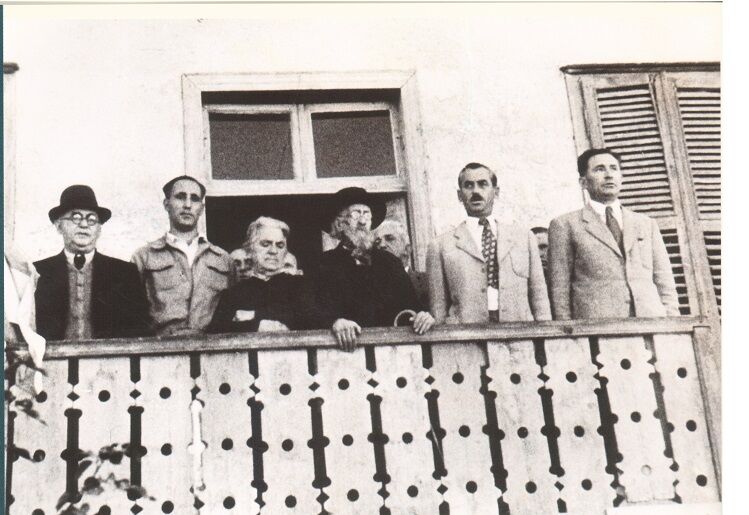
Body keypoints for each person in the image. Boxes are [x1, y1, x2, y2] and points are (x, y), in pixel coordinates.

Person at [548, 148, 679, 319]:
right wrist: (567, 331)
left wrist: (672, 321)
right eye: (599, 169)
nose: (609, 175)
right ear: (583, 182)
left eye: (614, 168)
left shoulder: (646, 224)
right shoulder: (565, 225)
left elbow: (664, 280)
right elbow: (560, 289)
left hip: (651, 321)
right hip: (599, 327)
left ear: (621, 178)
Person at [427, 163, 551, 324]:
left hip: (519, 333)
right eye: (468, 185)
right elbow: (438, 308)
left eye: (482, 184)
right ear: (459, 195)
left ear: (496, 192)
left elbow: (539, 298)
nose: (475, 191)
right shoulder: (441, 245)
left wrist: (544, 333)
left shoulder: (524, 238)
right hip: (466, 335)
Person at [317, 187, 434, 350]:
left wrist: (422, 316)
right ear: (340, 224)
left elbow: (410, 307)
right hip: (344, 353)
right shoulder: (323, 264)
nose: (362, 221)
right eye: (355, 214)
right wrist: (335, 322)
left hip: (389, 353)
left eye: (367, 214)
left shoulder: (390, 262)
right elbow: (314, 310)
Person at [34, 185, 150, 340]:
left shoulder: (124, 273)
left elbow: (140, 328)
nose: (84, 225)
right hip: (52, 356)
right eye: (75, 217)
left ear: (99, 229)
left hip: (109, 355)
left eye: (91, 219)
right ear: (59, 226)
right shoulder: (38, 272)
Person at [132, 176, 232, 335]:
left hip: (211, 347)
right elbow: (134, 315)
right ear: (166, 204)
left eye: (195, 199)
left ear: (201, 208)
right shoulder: (144, 256)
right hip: (161, 346)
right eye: (180, 197)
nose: (188, 205)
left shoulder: (223, 259)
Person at [209, 217, 319, 333]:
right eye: (266, 244)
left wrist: (255, 314)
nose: (273, 251)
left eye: (280, 245)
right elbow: (215, 332)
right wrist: (256, 326)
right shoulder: (233, 293)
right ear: (250, 249)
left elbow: (312, 320)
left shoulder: (301, 285)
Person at [374, 218, 428, 308]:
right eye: (377, 242)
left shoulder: (427, 283)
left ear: (407, 249)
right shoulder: (369, 287)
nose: (382, 245)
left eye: (389, 238)